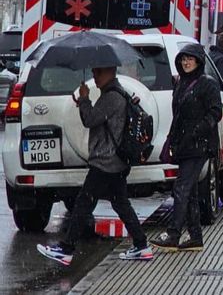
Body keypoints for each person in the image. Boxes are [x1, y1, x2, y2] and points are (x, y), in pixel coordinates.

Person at [38, 66, 153, 265]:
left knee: (84, 203)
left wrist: (84, 99)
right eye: (93, 72)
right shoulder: (116, 94)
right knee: (120, 204)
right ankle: (142, 246)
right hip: (115, 161)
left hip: (105, 161)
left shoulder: (112, 97)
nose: (95, 76)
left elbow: (90, 120)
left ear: (111, 72)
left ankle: (67, 249)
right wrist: (84, 103)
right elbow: (93, 117)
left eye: (99, 72)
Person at [151, 44, 222, 251]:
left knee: (181, 188)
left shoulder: (207, 84)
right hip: (184, 144)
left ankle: (174, 234)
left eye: (190, 59)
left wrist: (197, 131)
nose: (186, 62)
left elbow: (215, 112)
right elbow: (179, 116)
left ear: (199, 61)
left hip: (199, 145)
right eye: (183, 59)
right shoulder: (181, 83)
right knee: (188, 191)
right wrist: (173, 139)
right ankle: (195, 237)